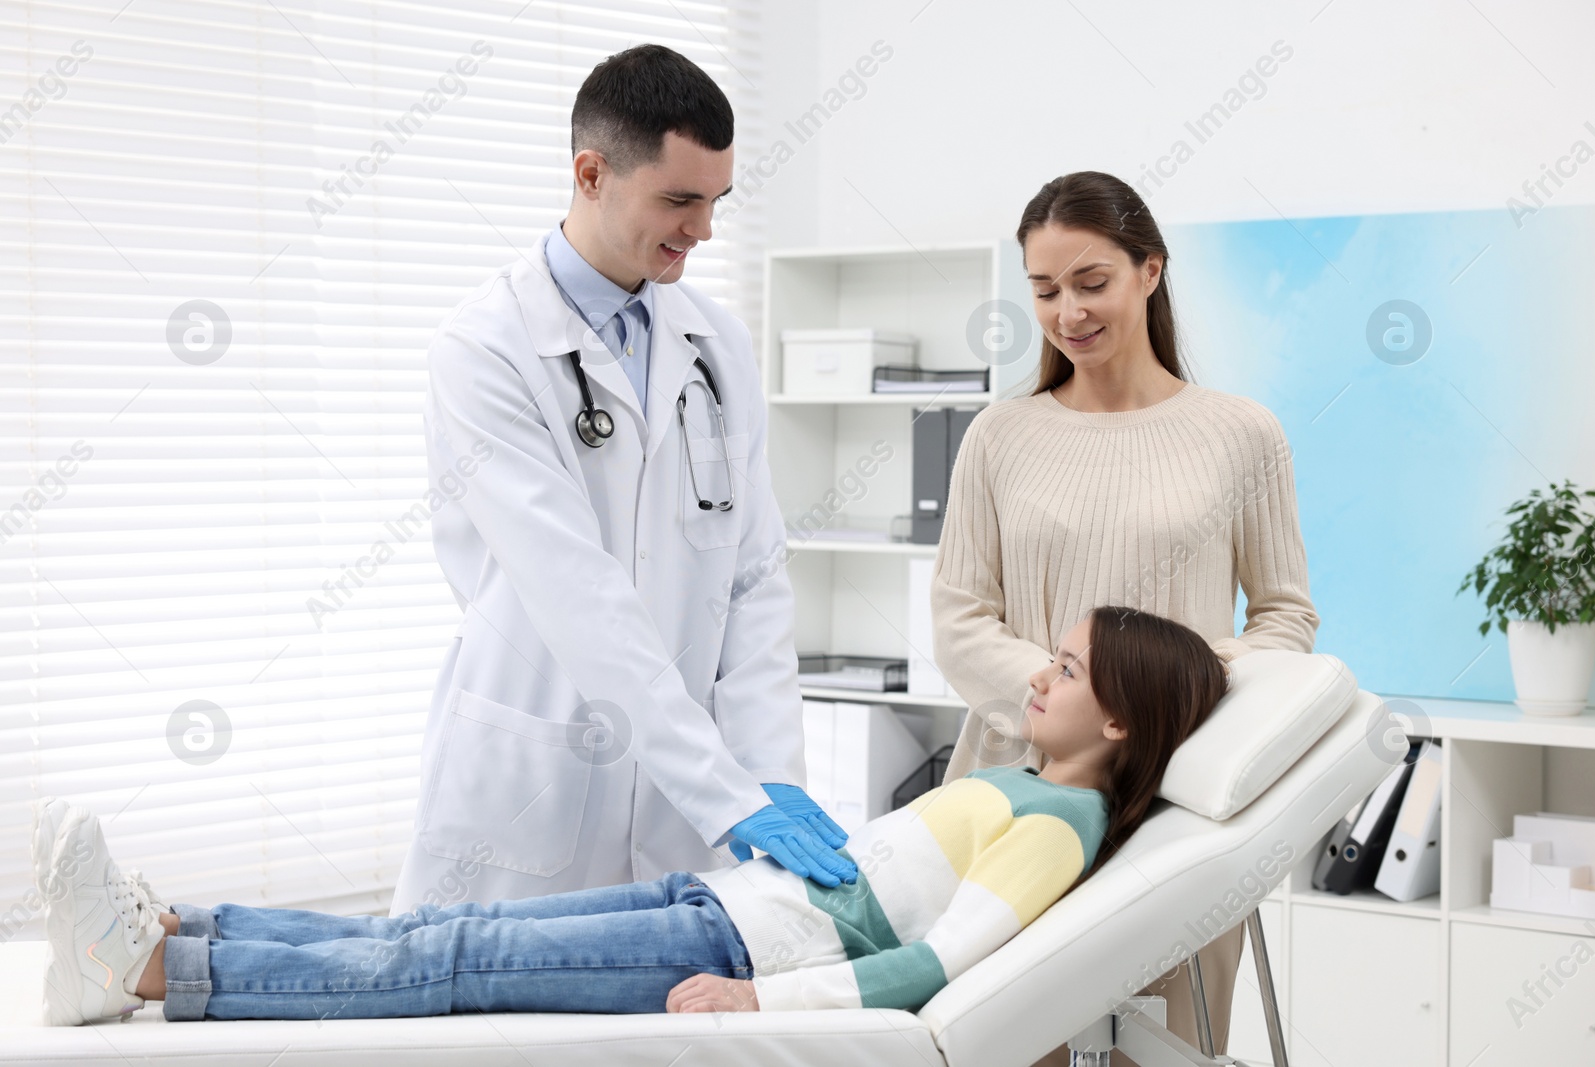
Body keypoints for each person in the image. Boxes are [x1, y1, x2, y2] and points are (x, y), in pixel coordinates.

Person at [35, 606, 1225, 1026]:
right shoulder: (1031, 785)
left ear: (1121, 720)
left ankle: (148, 970)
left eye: (1065, 670)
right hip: (722, 899)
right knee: (438, 935)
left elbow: (933, 963)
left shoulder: (1060, 824)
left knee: (448, 952)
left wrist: (768, 997)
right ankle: (176, 924)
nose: (1037, 674)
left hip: (740, 945)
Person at [390, 41, 855, 913]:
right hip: (533, 787)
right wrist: (725, 793)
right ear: (592, 173)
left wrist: (767, 775)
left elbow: (753, 578)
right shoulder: (485, 348)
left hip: (690, 807)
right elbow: (577, 594)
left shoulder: (718, 345)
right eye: (679, 200)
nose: (703, 231)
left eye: (716, 202)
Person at [929, 170, 1320, 1066]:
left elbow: (1284, 615)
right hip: (1022, 788)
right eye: (1044, 289)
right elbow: (958, 616)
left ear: (1150, 270)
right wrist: (1068, 705)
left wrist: (1179, 708)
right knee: (1011, 1039)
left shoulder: (1242, 433)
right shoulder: (1000, 434)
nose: (1068, 311)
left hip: (1175, 803)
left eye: (1091, 281)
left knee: (1169, 1044)